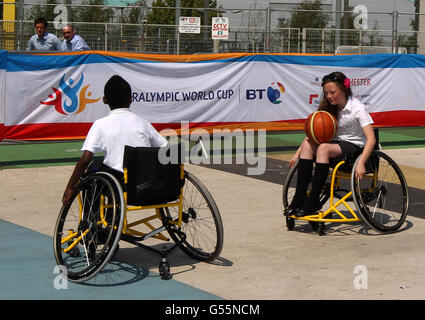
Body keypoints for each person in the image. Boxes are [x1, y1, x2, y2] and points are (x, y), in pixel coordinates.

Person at [62, 75, 168, 205]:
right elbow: (166, 148)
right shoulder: (143, 123)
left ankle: (92, 221)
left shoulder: (100, 124)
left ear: (105, 100)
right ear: (131, 99)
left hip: (119, 185)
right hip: (147, 185)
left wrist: (69, 187)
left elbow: (85, 159)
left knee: (93, 169)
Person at [285, 71, 376, 217]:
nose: (329, 96)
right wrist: (298, 153)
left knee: (323, 148)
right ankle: (299, 196)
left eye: (332, 92)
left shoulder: (357, 108)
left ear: (344, 90)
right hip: (335, 144)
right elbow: (312, 134)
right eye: (326, 93)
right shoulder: (327, 107)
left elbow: (371, 139)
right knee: (309, 145)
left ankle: (313, 200)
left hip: (355, 146)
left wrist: (361, 163)